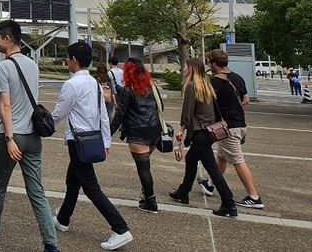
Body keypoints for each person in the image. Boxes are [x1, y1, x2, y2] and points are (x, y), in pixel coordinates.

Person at [0, 20, 59, 252]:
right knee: (36, 191)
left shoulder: (3, 68)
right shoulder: (33, 65)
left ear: (7, 39)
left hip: (12, 136)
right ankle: (51, 244)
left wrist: (10, 138)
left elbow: (5, 106)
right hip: (33, 136)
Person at [51, 42, 133, 251]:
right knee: (73, 180)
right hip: (92, 139)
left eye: (68, 58)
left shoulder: (71, 85)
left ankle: (120, 228)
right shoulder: (94, 83)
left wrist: (43, 125)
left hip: (77, 140)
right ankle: (62, 219)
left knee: (90, 186)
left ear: (74, 60)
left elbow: (59, 113)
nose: (68, 61)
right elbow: (103, 114)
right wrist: (106, 141)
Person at [169, 58, 237, 217]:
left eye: (185, 66)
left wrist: (182, 128)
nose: (183, 69)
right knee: (191, 160)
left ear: (191, 68)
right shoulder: (207, 85)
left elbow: (188, 111)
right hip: (208, 132)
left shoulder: (191, 86)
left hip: (199, 132)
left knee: (212, 169)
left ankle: (229, 202)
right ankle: (183, 191)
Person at [200, 50, 264, 209]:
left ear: (214, 64)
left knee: (237, 160)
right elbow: (246, 100)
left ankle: (254, 196)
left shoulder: (214, 82)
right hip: (240, 123)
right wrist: (233, 108)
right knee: (221, 156)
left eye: (209, 63)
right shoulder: (237, 78)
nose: (209, 66)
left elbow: (205, 103)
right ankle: (210, 184)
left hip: (228, 127)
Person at [109, 58, 162, 213]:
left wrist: (107, 135)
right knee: (146, 166)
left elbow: (119, 116)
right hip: (154, 131)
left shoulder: (127, 90)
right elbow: (161, 107)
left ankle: (151, 201)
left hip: (137, 131)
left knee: (143, 168)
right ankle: (146, 197)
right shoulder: (152, 87)